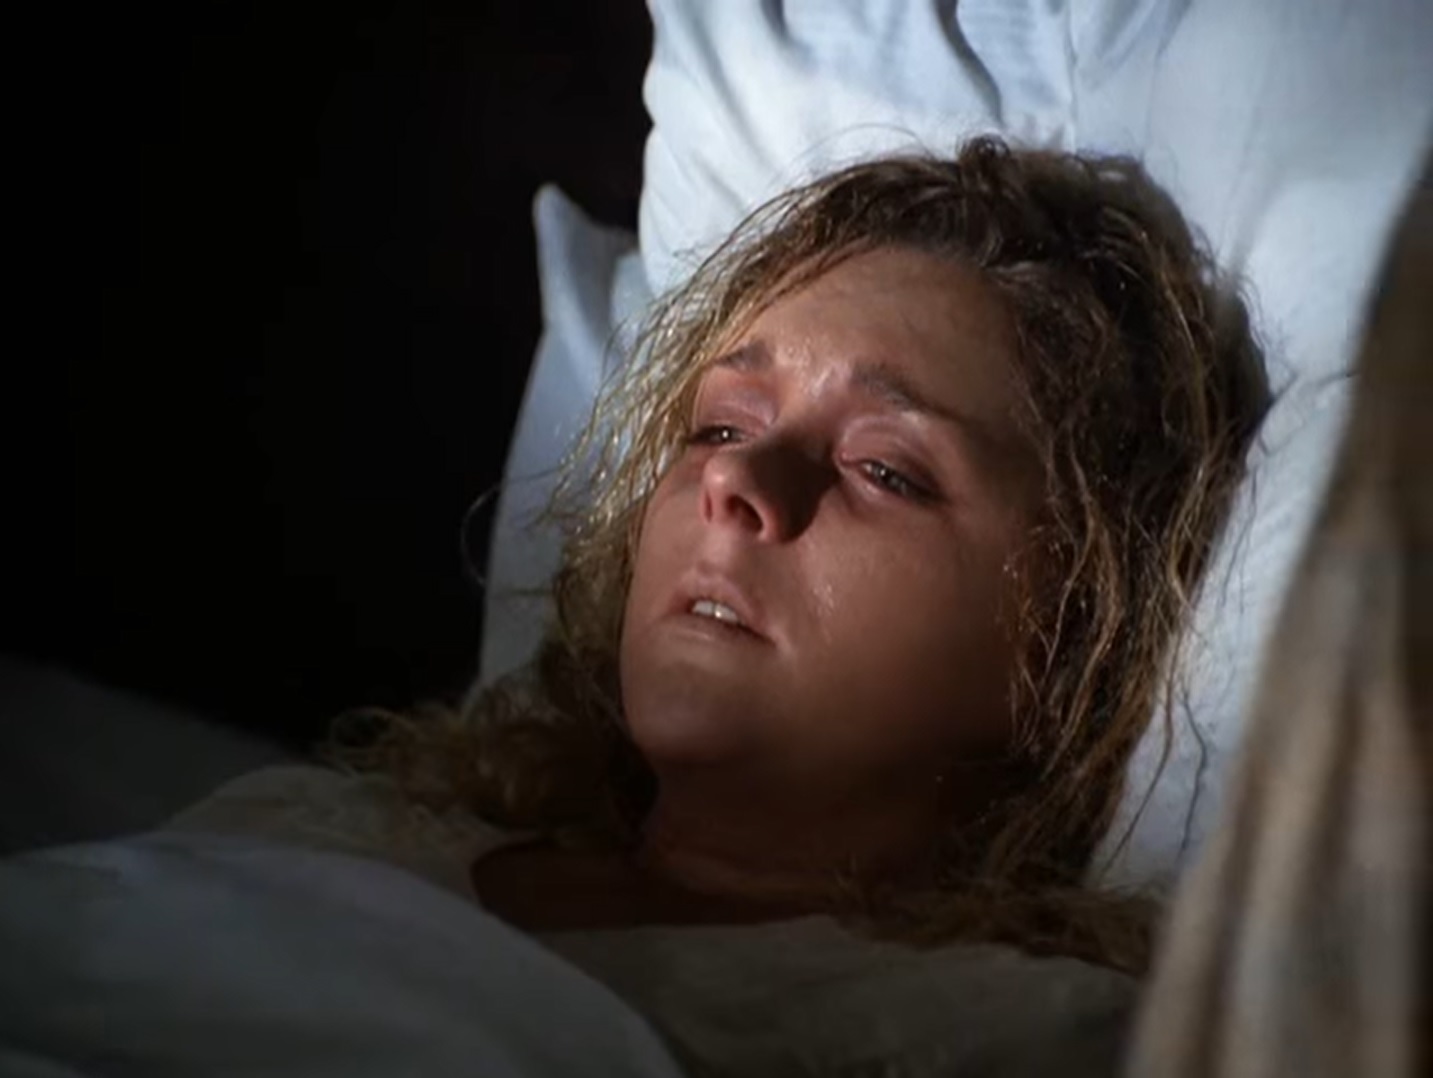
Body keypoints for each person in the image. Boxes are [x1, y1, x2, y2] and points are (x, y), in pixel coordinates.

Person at [133, 137, 1275, 1075]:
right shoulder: (325, 822)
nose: (733, 479)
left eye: (885, 469)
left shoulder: (1008, 1037)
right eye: (719, 424)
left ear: (1071, 637)